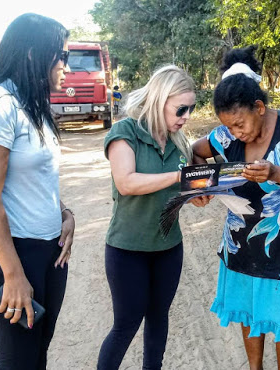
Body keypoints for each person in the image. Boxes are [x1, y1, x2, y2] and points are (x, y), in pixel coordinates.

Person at [192, 46, 280, 370]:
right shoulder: (224, 135)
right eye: (229, 126)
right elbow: (196, 151)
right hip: (240, 244)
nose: (235, 133)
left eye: (240, 124)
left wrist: (277, 173)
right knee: (249, 311)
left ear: (259, 107)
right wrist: (201, 187)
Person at [0, 13, 75, 369]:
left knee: (36, 356)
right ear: (32, 54)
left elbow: (36, 180)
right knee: (17, 363)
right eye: (62, 55)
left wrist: (65, 213)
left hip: (48, 255)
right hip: (11, 256)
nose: (66, 67)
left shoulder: (33, 106)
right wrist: (13, 275)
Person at [97, 65, 209, 370]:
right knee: (126, 325)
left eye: (191, 108)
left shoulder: (180, 143)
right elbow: (127, 183)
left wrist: (197, 194)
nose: (186, 116)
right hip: (127, 250)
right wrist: (179, 177)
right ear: (159, 100)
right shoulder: (126, 132)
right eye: (181, 108)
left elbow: (182, 192)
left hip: (169, 248)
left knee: (158, 318)